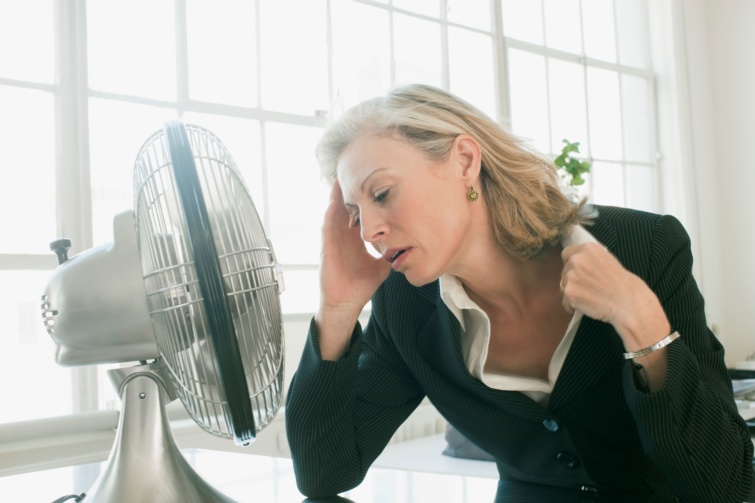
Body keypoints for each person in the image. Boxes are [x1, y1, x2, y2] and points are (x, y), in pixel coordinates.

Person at [284, 83, 754, 502]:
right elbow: (324, 474)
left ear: (465, 161)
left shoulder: (646, 247)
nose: (370, 231)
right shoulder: (404, 305)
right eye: (354, 213)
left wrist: (639, 318)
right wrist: (339, 309)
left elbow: (728, 487)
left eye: (381, 193)